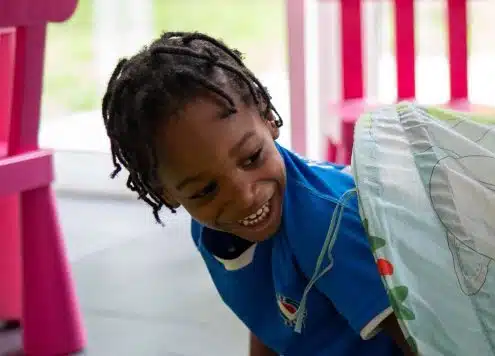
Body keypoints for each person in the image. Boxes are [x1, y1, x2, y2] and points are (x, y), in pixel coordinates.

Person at [100, 32, 412, 356]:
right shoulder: (211, 230)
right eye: (206, 190)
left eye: (251, 158)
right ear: (165, 193)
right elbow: (268, 318)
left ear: (267, 118)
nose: (243, 196)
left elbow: (417, 339)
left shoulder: (329, 228)